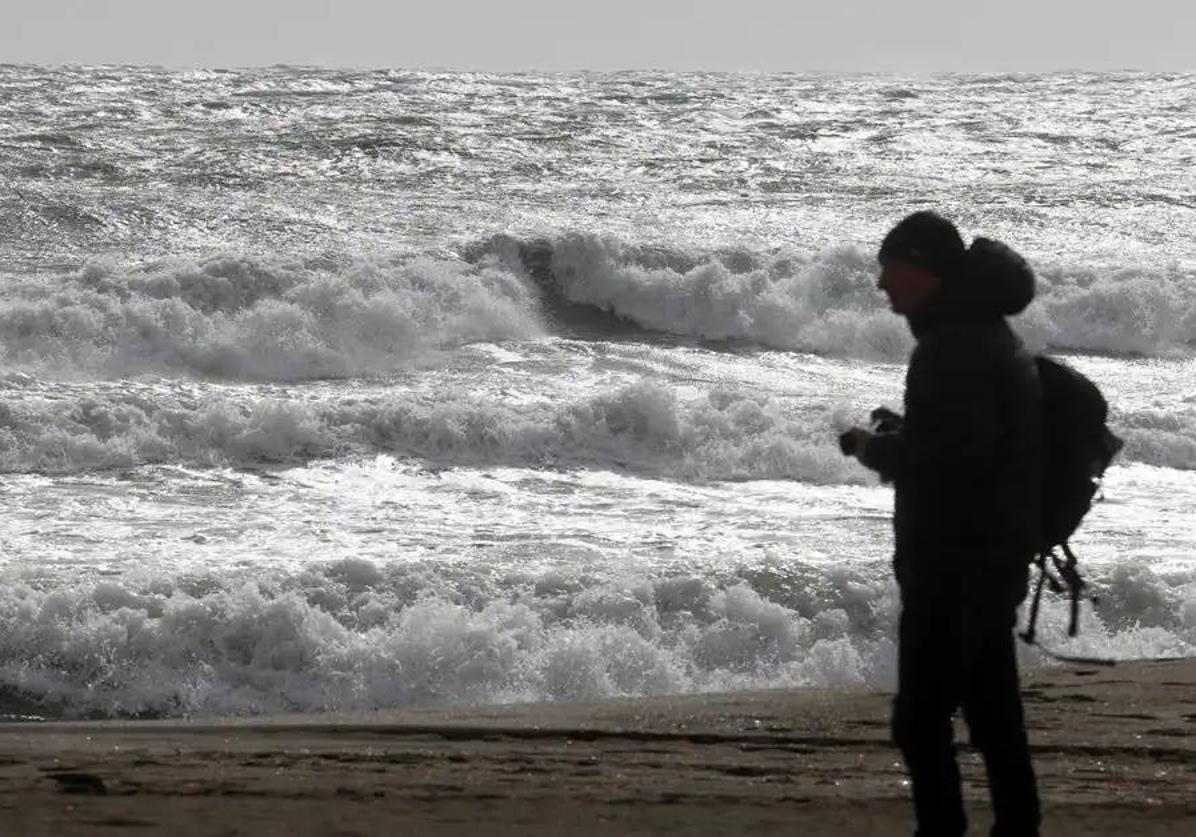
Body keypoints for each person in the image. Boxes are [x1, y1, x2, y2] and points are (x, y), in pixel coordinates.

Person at [842, 211, 1043, 836]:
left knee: (922, 719)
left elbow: (950, 464)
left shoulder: (951, 347)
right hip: (988, 559)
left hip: (955, 568)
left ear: (924, 270)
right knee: (992, 714)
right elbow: (964, 446)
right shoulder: (982, 334)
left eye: (890, 269)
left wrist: (871, 447)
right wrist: (909, 433)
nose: (881, 285)